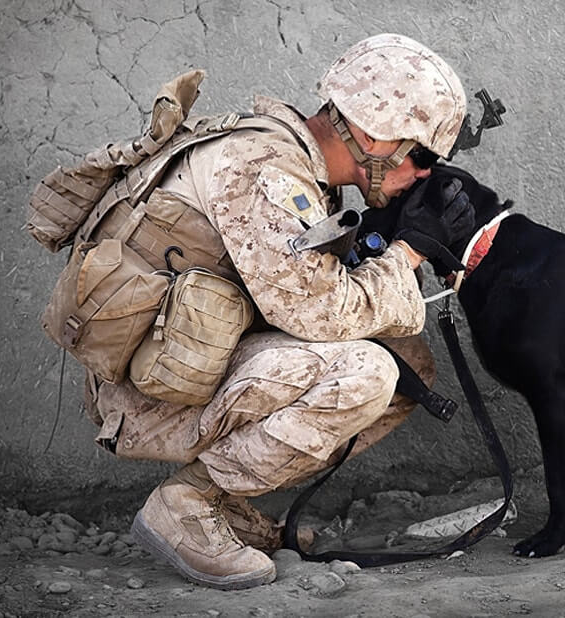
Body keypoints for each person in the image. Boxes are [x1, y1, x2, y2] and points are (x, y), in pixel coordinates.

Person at [86, 33, 474, 589]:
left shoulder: (295, 163)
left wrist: (396, 244)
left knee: (407, 364)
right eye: (421, 157)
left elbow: (304, 295)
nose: (422, 174)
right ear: (372, 134)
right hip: (145, 391)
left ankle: (226, 495)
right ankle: (190, 503)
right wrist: (409, 251)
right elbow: (321, 313)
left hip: (185, 357)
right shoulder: (265, 171)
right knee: (371, 374)